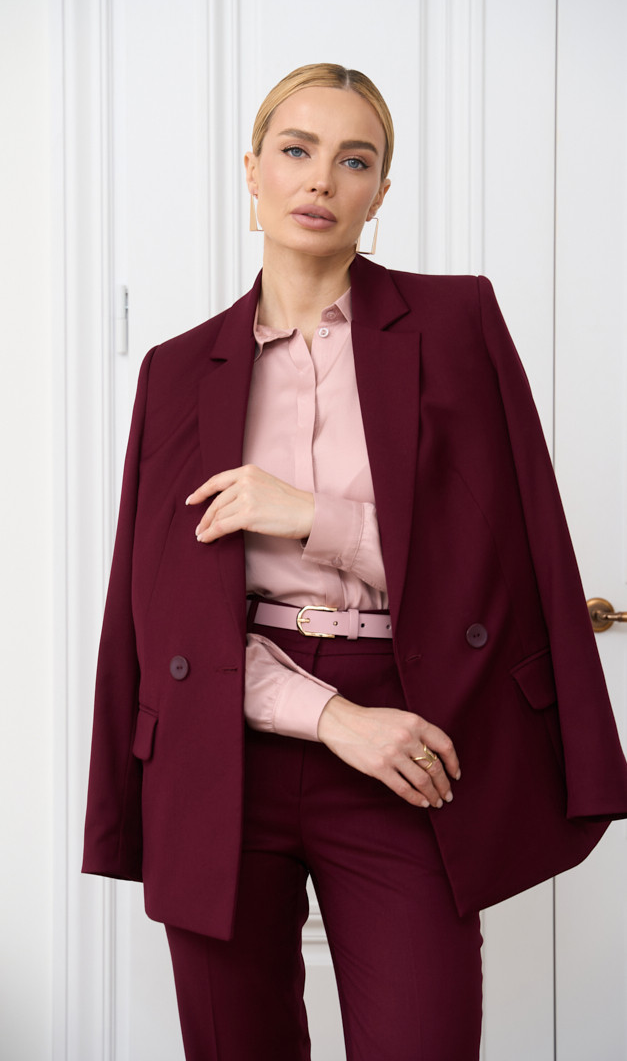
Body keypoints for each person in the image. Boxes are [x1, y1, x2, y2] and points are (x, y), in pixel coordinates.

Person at [82, 63, 627, 1061]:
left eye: (355, 160)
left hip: (412, 733)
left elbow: (495, 573)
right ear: (251, 170)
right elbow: (168, 623)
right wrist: (332, 717)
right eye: (296, 150)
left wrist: (309, 516)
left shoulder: (456, 325)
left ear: (380, 192)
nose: (321, 179)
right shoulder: (175, 370)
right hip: (225, 744)